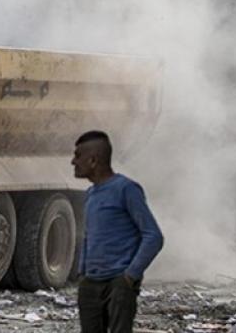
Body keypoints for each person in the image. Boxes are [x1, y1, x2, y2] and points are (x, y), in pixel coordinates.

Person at [71, 130, 164, 333]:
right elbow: (89, 236)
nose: (73, 162)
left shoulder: (126, 189)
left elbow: (153, 236)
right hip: (91, 284)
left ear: (93, 160)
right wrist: (83, 273)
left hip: (118, 283)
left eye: (78, 156)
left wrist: (130, 276)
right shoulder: (91, 194)